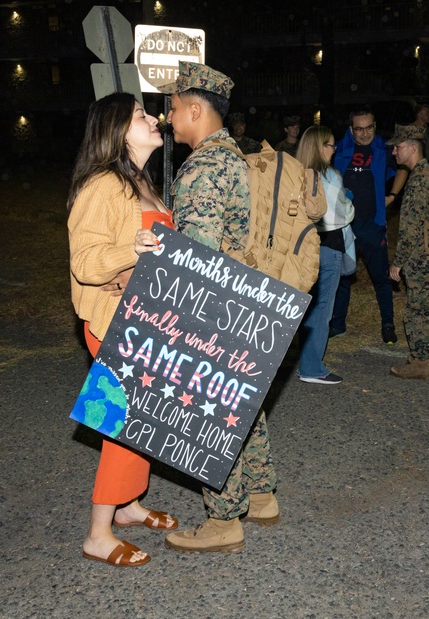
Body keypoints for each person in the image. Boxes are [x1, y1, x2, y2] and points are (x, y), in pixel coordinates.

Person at [158, 61, 279, 553]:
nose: (168, 119)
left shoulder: (203, 168)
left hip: (214, 306)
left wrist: (182, 322)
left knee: (213, 406)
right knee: (243, 397)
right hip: (242, 300)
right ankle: (263, 493)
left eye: (172, 109)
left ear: (194, 108)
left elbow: (197, 260)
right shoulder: (233, 156)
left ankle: (224, 517)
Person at [67, 93, 179, 567]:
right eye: (140, 116)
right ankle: (98, 532)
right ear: (116, 130)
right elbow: (86, 262)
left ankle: (129, 506)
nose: (154, 119)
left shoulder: (142, 181)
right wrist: (130, 249)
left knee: (144, 420)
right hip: (115, 321)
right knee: (122, 423)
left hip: (146, 321)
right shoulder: (103, 186)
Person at [329, 108, 399, 345]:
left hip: (372, 224)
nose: (365, 133)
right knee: (342, 277)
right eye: (359, 128)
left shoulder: (383, 149)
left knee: (381, 278)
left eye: (369, 127)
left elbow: (405, 167)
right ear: (351, 129)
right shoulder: (338, 150)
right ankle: (338, 324)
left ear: (375, 126)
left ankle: (388, 323)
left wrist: (393, 195)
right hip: (344, 225)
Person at [387, 124, 429, 380]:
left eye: (398, 147)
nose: (393, 152)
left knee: (418, 309)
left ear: (412, 148)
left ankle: (420, 362)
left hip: (421, 258)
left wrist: (397, 263)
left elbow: (410, 229)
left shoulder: (419, 181)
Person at [296, 125, 354, 384]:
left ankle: (305, 360)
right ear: (320, 147)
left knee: (306, 307)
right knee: (322, 310)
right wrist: (347, 199)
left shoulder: (297, 173)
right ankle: (311, 368)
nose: (334, 149)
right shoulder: (327, 175)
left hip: (303, 247)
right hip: (328, 246)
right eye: (330, 145)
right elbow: (340, 215)